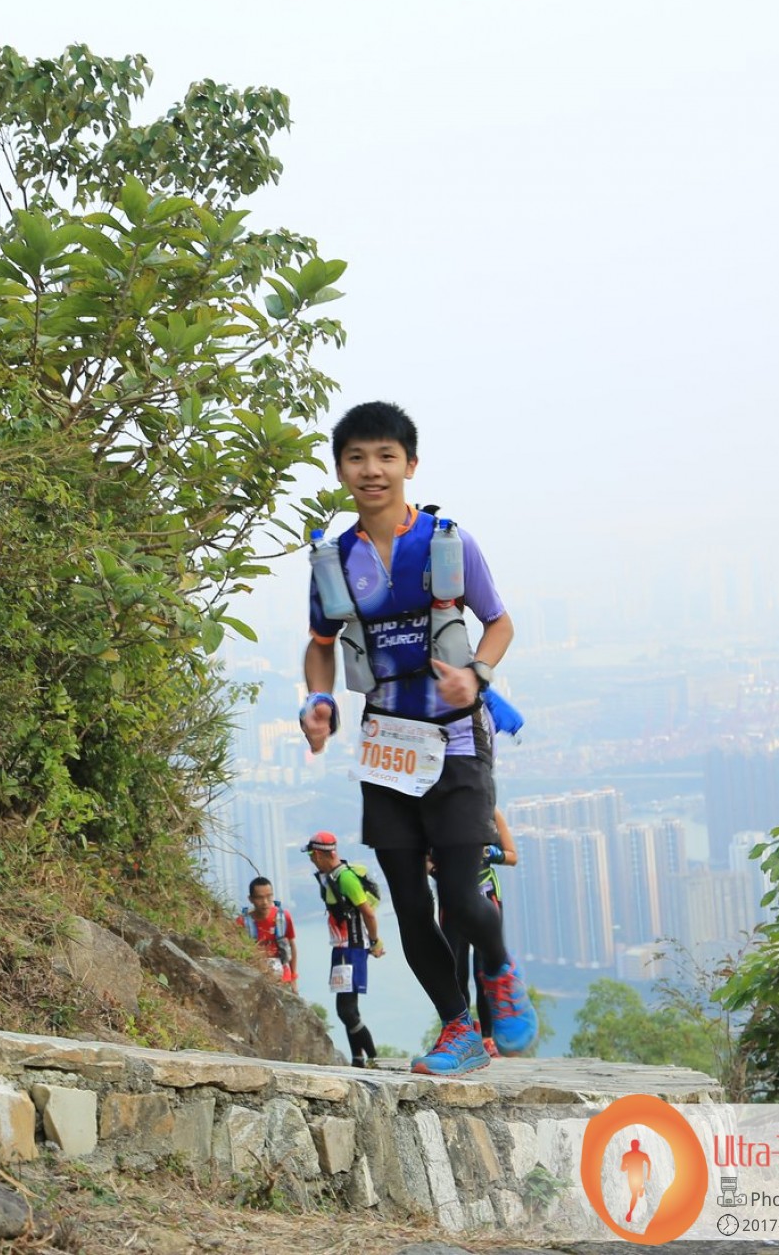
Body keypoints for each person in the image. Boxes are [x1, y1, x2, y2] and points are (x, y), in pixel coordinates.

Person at [298, 401, 538, 1075]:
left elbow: (499, 622)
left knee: (461, 895)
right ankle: (459, 1028)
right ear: (340, 469)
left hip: (456, 738)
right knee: (408, 902)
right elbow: (321, 646)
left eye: (385, 456)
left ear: (410, 464)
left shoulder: (446, 543)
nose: (371, 470)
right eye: (356, 457)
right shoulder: (336, 560)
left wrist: (476, 675)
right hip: (386, 745)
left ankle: (498, 967)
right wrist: (318, 701)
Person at [439, 808, 518, 1056]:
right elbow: (425, 859)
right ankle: (462, 1033)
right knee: (456, 968)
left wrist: (489, 852)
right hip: (452, 895)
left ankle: (488, 1037)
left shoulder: (491, 812)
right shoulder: (438, 810)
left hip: (486, 892)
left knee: (485, 968)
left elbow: (512, 856)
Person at [303, 831, 384, 1066]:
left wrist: (375, 941)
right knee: (349, 1010)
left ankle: (374, 1058)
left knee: (346, 1011)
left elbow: (368, 912)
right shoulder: (330, 877)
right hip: (341, 949)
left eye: (311, 855)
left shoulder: (345, 878)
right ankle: (358, 1059)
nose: (311, 859)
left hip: (352, 949)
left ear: (320, 854)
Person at [235, 876, 298, 984]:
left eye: (269, 896)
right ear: (251, 899)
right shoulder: (242, 923)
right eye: (259, 898)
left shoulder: (283, 917)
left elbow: (292, 946)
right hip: (256, 977)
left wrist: (294, 978)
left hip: (283, 977)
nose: (265, 902)